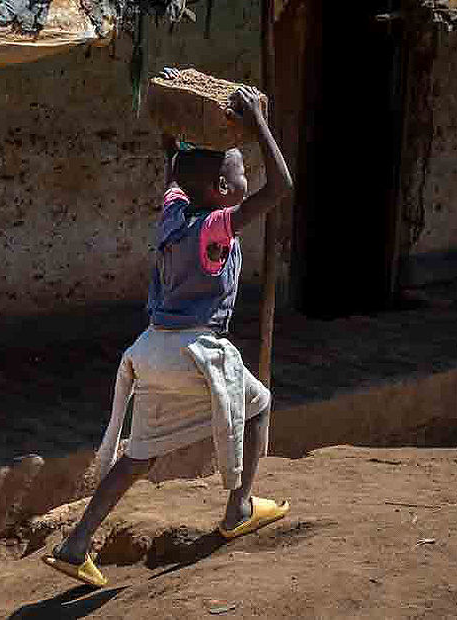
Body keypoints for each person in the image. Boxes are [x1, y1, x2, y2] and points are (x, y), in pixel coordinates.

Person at [42, 68, 295, 588]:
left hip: (152, 348)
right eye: (239, 172)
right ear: (224, 189)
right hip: (194, 349)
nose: (246, 178)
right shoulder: (215, 226)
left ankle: (75, 544)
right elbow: (282, 187)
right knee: (260, 404)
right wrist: (261, 124)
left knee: (139, 453)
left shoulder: (174, 211)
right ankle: (238, 507)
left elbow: (174, 170)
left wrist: (179, 123)